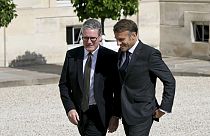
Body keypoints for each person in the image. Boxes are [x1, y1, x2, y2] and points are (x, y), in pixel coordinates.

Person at [113, 19, 176, 136]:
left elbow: (170, 81)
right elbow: (120, 85)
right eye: (117, 39)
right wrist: (116, 114)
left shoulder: (150, 54)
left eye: (121, 39)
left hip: (142, 113)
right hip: (126, 113)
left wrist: (163, 108)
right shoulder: (121, 52)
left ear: (134, 35)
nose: (118, 43)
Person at [59, 19, 121, 136]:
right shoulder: (71, 55)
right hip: (80, 112)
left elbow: (118, 89)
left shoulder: (110, 57)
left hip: (100, 112)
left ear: (100, 37)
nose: (89, 42)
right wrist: (70, 108)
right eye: (85, 38)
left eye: (93, 38)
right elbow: (64, 85)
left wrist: (116, 115)